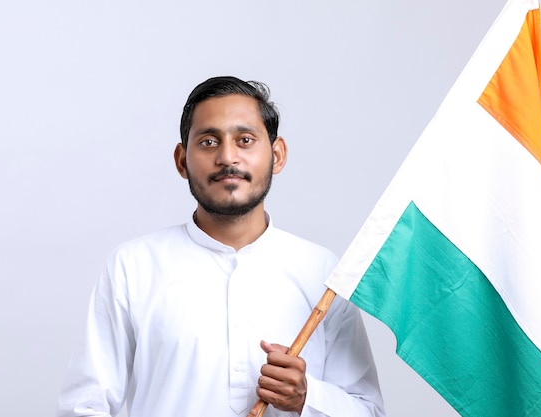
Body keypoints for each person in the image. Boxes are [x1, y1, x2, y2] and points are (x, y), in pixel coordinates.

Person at [56, 76, 385, 417]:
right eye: (209, 142)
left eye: (245, 140)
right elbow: (84, 406)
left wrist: (307, 397)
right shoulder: (133, 266)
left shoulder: (323, 275)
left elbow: (370, 411)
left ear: (277, 155)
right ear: (182, 160)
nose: (228, 157)